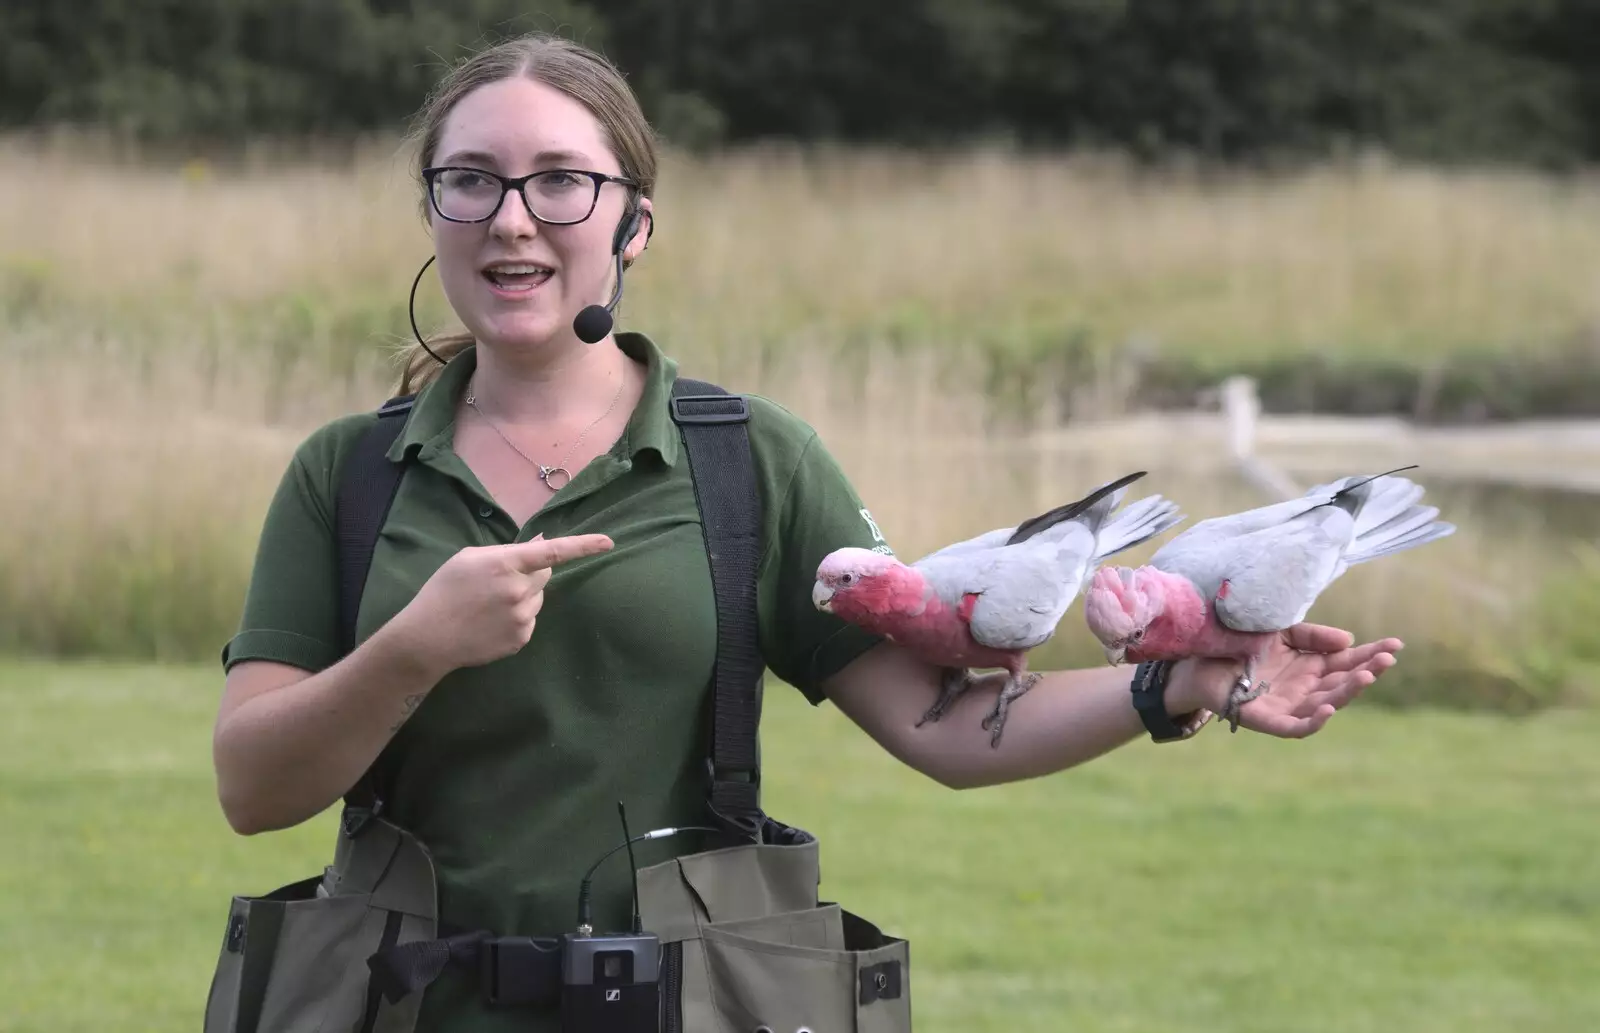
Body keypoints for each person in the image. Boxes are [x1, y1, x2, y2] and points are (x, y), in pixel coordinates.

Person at [211, 31, 1405, 1033]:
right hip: (395, 1006)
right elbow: (254, 786)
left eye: (561, 181)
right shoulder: (350, 473)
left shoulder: (747, 462)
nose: (512, 219)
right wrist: (414, 646)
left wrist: (1173, 686)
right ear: (434, 211)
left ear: (632, 225)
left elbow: (947, 725)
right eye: (470, 179)